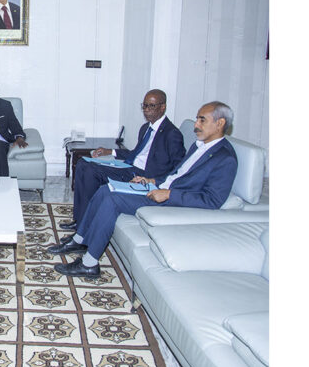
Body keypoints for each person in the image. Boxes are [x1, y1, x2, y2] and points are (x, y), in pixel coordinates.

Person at [48, 101, 238, 278]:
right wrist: (152, 180)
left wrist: (169, 194)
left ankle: (89, 264)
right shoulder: (200, 146)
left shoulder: (225, 158)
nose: (196, 125)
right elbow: (176, 175)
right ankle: (80, 240)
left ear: (220, 123)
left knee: (113, 199)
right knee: (105, 190)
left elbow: (212, 201)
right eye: (197, 119)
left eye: (202, 120)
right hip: (158, 187)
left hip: (170, 201)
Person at [60, 89, 185, 230]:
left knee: (91, 171)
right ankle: (79, 219)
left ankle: (85, 225)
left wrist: (154, 181)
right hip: (130, 168)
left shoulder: (172, 133)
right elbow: (136, 153)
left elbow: (178, 168)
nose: (146, 110)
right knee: (83, 163)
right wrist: (110, 151)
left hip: (143, 176)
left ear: (163, 107)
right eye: (144, 106)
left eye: (151, 106)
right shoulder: (145, 128)